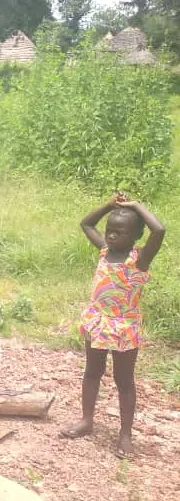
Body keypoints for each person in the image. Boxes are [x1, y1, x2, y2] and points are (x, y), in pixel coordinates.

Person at [60, 192, 164, 458]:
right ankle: (86, 420)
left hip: (124, 326)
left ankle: (125, 435)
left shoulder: (139, 259)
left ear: (134, 237)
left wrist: (136, 206)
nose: (112, 235)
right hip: (98, 322)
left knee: (124, 380)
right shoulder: (105, 252)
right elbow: (86, 224)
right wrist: (109, 205)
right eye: (110, 230)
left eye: (120, 232)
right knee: (92, 372)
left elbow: (159, 230)